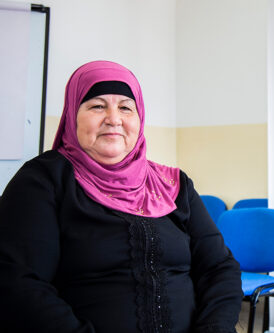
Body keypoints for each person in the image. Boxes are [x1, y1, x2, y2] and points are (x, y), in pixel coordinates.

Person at [0, 60, 242, 333]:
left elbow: (219, 267)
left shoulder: (173, 185)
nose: (113, 119)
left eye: (126, 107)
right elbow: (20, 282)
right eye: (97, 106)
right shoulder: (43, 181)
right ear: (71, 115)